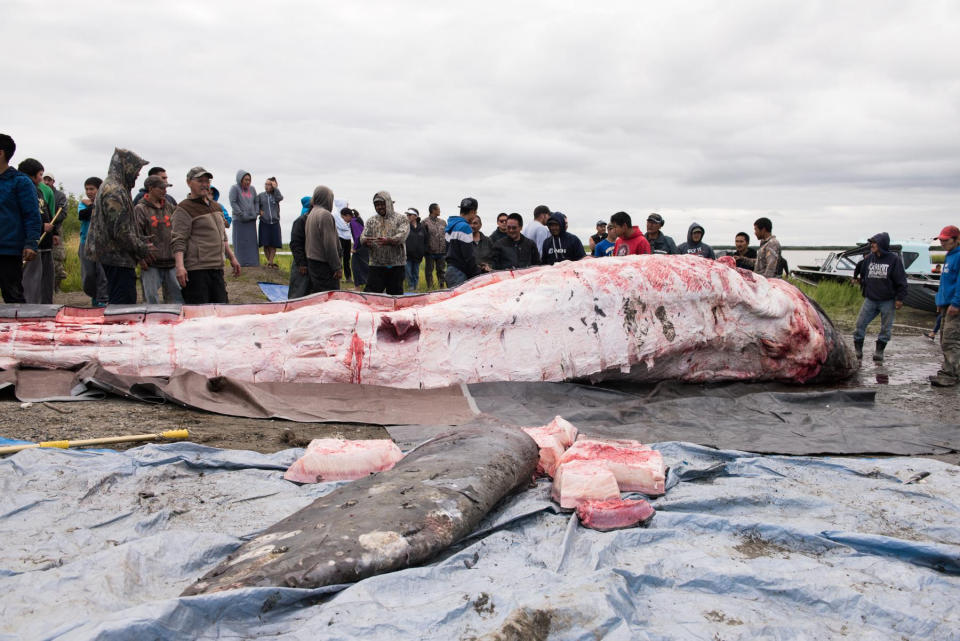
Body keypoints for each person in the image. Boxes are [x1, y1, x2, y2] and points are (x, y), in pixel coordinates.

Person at [85, 148, 152, 305]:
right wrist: (142, 247)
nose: (138, 174)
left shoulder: (117, 187)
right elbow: (120, 231)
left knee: (121, 302)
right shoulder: (114, 191)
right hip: (116, 258)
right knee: (123, 306)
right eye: (136, 169)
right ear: (125, 166)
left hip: (118, 258)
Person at [171, 167, 241, 304]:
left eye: (207, 181)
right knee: (200, 314)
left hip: (217, 268)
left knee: (221, 310)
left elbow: (223, 236)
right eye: (200, 181)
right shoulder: (184, 208)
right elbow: (178, 240)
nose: (205, 184)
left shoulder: (216, 207)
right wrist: (180, 267)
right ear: (189, 182)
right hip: (196, 270)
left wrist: (232, 258)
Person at [850, 232, 907, 363]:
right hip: (870, 299)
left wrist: (900, 298)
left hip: (888, 300)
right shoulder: (869, 258)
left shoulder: (894, 260)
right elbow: (861, 269)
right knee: (860, 324)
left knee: (886, 328)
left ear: (882, 244)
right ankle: (858, 351)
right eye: (871, 242)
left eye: (874, 243)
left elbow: (902, 281)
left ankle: (879, 351)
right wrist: (860, 281)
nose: (872, 245)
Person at [0, 133, 40, 303]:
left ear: (0, 153)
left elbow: (32, 214)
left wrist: (31, 243)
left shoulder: (20, 182)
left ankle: (20, 329)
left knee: (13, 297)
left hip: (8, 250)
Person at [134, 175, 182, 304]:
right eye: (161, 188)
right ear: (150, 188)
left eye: (165, 188)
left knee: (177, 299)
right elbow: (136, 235)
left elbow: (178, 230)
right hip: (151, 264)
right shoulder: (140, 209)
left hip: (171, 262)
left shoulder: (170, 207)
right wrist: (140, 258)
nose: (165, 191)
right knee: (151, 300)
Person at [17, 158, 56, 303]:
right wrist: (41, 227)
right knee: (31, 282)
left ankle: (47, 308)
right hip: (31, 243)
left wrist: (54, 232)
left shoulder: (39, 191)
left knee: (46, 280)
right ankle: (31, 311)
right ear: (32, 175)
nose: (41, 178)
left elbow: (45, 211)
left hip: (45, 242)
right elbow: (24, 217)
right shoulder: (22, 189)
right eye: (40, 174)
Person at [361, 191, 408, 295]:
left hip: (396, 265)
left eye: (382, 204)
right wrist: (365, 241)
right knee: (371, 296)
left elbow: (402, 236)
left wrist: (389, 240)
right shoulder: (371, 221)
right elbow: (363, 236)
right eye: (377, 205)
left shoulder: (401, 219)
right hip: (376, 265)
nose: (380, 207)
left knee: (395, 296)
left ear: (389, 203)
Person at [930, 226, 960, 386]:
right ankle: (952, 371)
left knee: (950, 341)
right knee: (944, 339)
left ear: (956, 239)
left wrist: (956, 303)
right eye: (940, 240)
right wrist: (939, 302)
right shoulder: (949, 255)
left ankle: (949, 375)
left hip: (955, 305)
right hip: (945, 305)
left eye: (946, 240)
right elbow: (945, 283)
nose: (942, 243)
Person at [304, 185, 342, 293]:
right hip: (324, 265)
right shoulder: (325, 215)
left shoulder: (311, 213)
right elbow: (330, 244)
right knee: (330, 297)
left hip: (313, 262)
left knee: (319, 295)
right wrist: (336, 267)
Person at [77, 176, 108, 306]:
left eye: (92, 189)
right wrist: (92, 204)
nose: (89, 192)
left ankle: (102, 299)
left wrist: (93, 204)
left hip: (102, 243)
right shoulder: (83, 204)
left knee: (102, 273)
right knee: (88, 274)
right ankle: (93, 295)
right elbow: (83, 215)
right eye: (87, 189)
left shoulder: (106, 202)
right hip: (86, 242)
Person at [445, 197, 481, 287]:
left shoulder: (451, 226)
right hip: (460, 273)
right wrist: (476, 273)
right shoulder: (465, 227)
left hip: (450, 270)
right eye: (476, 212)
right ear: (473, 211)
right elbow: (468, 255)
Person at [42, 174, 68, 291]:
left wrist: (51, 220)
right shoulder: (40, 192)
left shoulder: (60, 196)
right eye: (45, 179)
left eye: (49, 180)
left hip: (56, 228)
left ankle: (56, 286)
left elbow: (63, 214)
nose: (47, 182)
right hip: (42, 228)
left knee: (57, 257)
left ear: (53, 181)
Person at [229, 170, 259, 266]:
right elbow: (233, 202)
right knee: (241, 242)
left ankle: (253, 262)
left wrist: (256, 212)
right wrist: (241, 214)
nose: (248, 182)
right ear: (240, 179)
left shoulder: (252, 189)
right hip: (239, 220)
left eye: (249, 180)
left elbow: (256, 201)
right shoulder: (235, 188)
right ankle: (240, 262)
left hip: (251, 220)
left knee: (251, 242)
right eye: (245, 179)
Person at [287, 197, 311, 299]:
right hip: (301, 262)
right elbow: (295, 244)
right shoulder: (302, 220)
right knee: (298, 292)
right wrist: (301, 263)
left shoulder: (311, 217)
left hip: (309, 261)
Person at [257, 177, 283, 268]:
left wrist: (276, 188)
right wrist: (259, 211)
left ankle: (270, 262)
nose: (267, 186)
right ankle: (270, 262)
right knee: (266, 243)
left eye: (269, 184)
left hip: (275, 222)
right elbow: (256, 206)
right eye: (266, 184)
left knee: (273, 244)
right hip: (264, 222)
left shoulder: (276, 195)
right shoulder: (260, 196)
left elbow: (280, 198)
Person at [423, 203, 447, 289]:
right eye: (438, 209)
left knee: (441, 271)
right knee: (429, 271)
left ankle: (442, 287)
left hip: (442, 252)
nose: (440, 211)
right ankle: (430, 288)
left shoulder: (443, 222)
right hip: (430, 252)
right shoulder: (425, 222)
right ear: (433, 210)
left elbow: (447, 236)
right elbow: (423, 237)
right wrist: (426, 249)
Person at [405, 207, 428, 290]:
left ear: (415, 216)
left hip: (418, 255)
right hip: (407, 255)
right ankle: (411, 286)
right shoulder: (405, 227)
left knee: (416, 272)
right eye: (407, 215)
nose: (408, 216)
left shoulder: (422, 228)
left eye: (410, 215)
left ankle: (416, 287)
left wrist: (423, 251)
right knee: (408, 272)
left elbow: (426, 241)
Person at [345, 208, 368, 289]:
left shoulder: (353, 222)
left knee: (355, 266)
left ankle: (357, 287)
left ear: (348, 216)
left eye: (343, 217)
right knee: (362, 266)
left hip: (361, 246)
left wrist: (354, 248)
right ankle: (358, 286)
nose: (344, 220)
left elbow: (358, 236)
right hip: (364, 245)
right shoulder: (357, 219)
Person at [334, 199, 353, 282]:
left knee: (347, 258)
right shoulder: (336, 215)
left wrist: (348, 225)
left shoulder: (346, 215)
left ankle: (348, 277)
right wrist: (347, 225)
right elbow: (343, 226)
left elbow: (348, 225)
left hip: (348, 238)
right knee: (339, 257)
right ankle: (339, 276)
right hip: (340, 238)